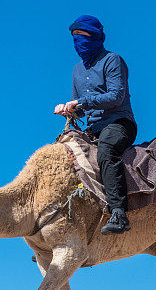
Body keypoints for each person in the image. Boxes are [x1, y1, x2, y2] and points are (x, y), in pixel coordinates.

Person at [54, 15, 137, 234]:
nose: (78, 43)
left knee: (106, 150)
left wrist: (80, 102)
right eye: (74, 38)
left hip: (118, 123)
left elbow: (116, 96)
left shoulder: (112, 60)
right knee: (61, 156)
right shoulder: (76, 71)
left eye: (82, 37)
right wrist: (68, 108)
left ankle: (119, 212)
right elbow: (79, 106)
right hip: (92, 128)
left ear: (95, 36)